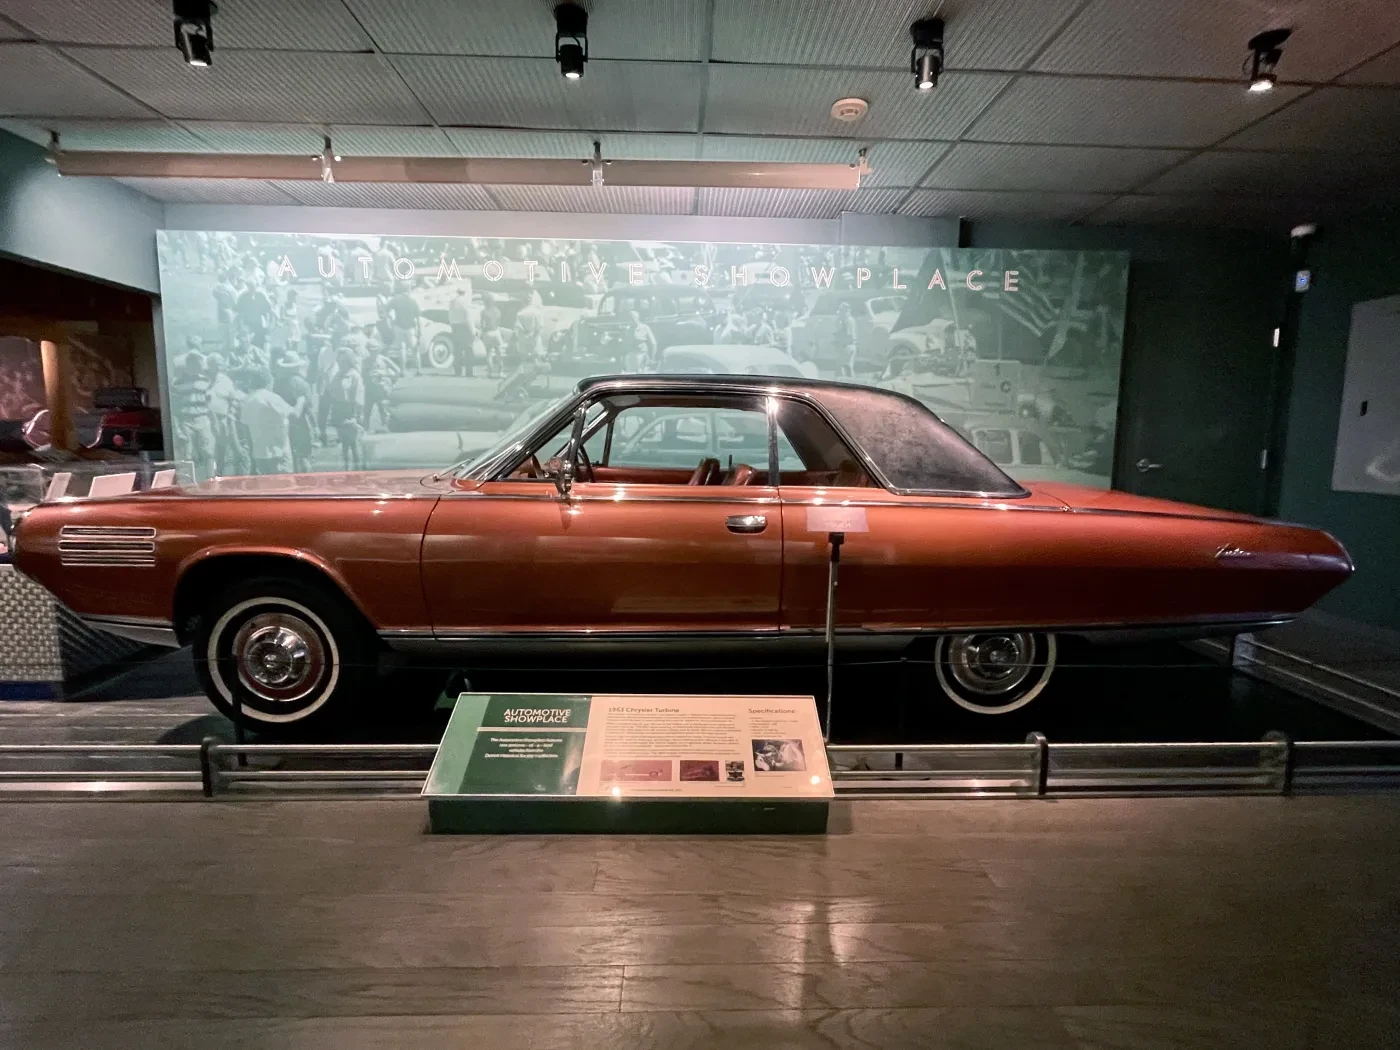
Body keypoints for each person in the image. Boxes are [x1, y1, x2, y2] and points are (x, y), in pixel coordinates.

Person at [170, 348, 217, 481]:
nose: (201, 366)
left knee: (208, 451)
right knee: (187, 455)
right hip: (186, 420)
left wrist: (214, 421)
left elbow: (208, 404)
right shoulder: (177, 382)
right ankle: (190, 482)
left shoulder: (205, 380)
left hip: (203, 419)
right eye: (197, 363)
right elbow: (175, 407)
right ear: (190, 364)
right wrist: (178, 428)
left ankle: (211, 479)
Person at [238, 369, 295, 475]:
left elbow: (246, 430)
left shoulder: (247, 400)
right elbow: (293, 414)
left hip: (259, 453)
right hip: (278, 451)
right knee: (284, 485)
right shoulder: (271, 398)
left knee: (266, 485)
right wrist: (302, 400)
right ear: (269, 381)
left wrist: (252, 452)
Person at [204, 352, 246, 476]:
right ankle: (210, 479)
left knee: (222, 452)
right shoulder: (203, 379)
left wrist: (229, 419)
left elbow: (232, 398)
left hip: (223, 420)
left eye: (221, 364)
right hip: (207, 422)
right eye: (217, 364)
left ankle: (220, 477)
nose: (219, 367)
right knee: (210, 452)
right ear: (210, 365)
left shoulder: (225, 380)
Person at [273, 351, 314, 473]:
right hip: (301, 423)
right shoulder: (302, 383)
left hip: (283, 422)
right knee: (304, 456)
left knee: (289, 456)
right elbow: (309, 407)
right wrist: (315, 426)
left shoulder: (278, 384)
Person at [326, 349, 366, 470]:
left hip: (351, 413)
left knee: (354, 445)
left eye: (343, 361)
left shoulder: (354, 376)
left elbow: (358, 399)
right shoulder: (337, 375)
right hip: (339, 413)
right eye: (339, 360)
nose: (340, 363)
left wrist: (355, 417)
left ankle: (359, 473)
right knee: (344, 446)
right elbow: (331, 394)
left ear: (349, 361)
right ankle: (347, 472)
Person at [363, 344, 401, 433]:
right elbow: (361, 374)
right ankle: (365, 430)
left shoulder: (384, 359)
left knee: (383, 410)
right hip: (369, 390)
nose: (373, 352)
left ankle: (386, 428)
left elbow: (398, 371)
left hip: (382, 389)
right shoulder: (365, 361)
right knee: (367, 411)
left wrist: (385, 375)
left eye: (375, 350)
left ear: (379, 350)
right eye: (371, 350)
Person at [387, 288, 422, 373]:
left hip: (398, 327)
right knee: (414, 349)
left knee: (402, 349)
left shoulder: (395, 300)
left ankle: (402, 370)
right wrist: (419, 330)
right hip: (410, 328)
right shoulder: (413, 301)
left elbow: (386, 310)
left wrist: (391, 320)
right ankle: (418, 370)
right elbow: (418, 318)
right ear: (409, 292)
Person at [235, 278, 275, 349]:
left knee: (259, 342)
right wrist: (239, 326)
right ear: (247, 287)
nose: (252, 289)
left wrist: (269, 323)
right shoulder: (243, 296)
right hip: (247, 323)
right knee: (247, 342)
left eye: (253, 287)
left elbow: (269, 309)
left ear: (256, 286)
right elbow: (238, 312)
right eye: (250, 287)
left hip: (259, 323)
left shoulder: (261, 295)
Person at [448, 286, 475, 377]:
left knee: (457, 351)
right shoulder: (465, 302)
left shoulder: (452, 302)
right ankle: (469, 371)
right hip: (464, 327)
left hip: (455, 327)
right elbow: (468, 318)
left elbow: (450, 316)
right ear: (465, 293)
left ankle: (457, 371)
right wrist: (472, 331)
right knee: (468, 350)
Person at [480, 294, 505, 378]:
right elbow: (499, 322)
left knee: (488, 353)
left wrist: (482, 334)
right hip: (496, 332)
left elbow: (482, 325)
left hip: (487, 333)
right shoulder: (497, 310)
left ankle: (490, 372)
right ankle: (500, 371)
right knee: (498, 353)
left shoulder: (483, 312)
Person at [212, 270, 238, 350]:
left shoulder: (217, 288)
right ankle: (231, 347)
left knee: (223, 332)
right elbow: (235, 302)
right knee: (232, 333)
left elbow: (214, 293)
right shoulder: (232, 290)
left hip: (221, 313)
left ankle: (224, 346)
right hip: (230, 313)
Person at [833, 300, 858, 377]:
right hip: (851, 345)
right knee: (849, 366)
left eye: (841, 310)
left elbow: (847, 334)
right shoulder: (850, 319)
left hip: (846, 346)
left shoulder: (846, 321)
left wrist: (837, 337)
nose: (839, 312)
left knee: (840, 367)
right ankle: (852, 382)